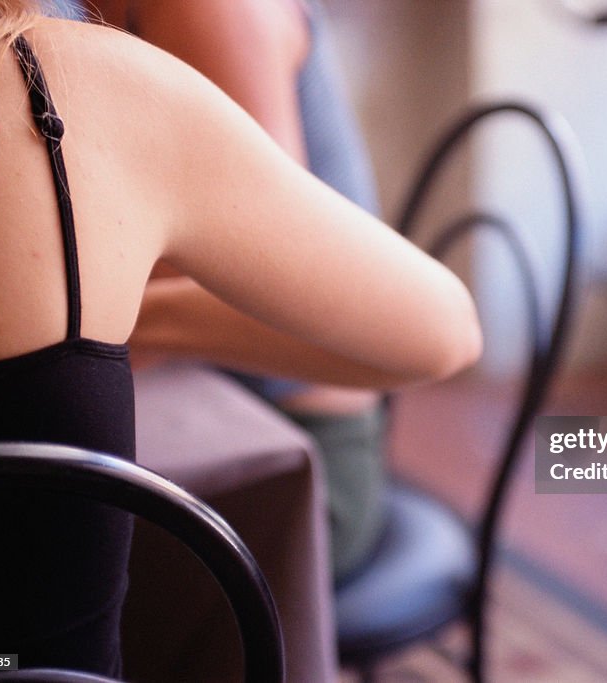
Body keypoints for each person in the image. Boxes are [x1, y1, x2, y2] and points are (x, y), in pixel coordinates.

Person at [0, 0, 481, 675]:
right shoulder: (76, 80)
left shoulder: (189, 20)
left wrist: (114, 312)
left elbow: (413, 324)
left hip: (298, 421)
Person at [76, 0, 392, 582]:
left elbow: (247, 268)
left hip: (294, 462)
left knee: (22, 551)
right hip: (180, 398)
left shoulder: (210, 9)